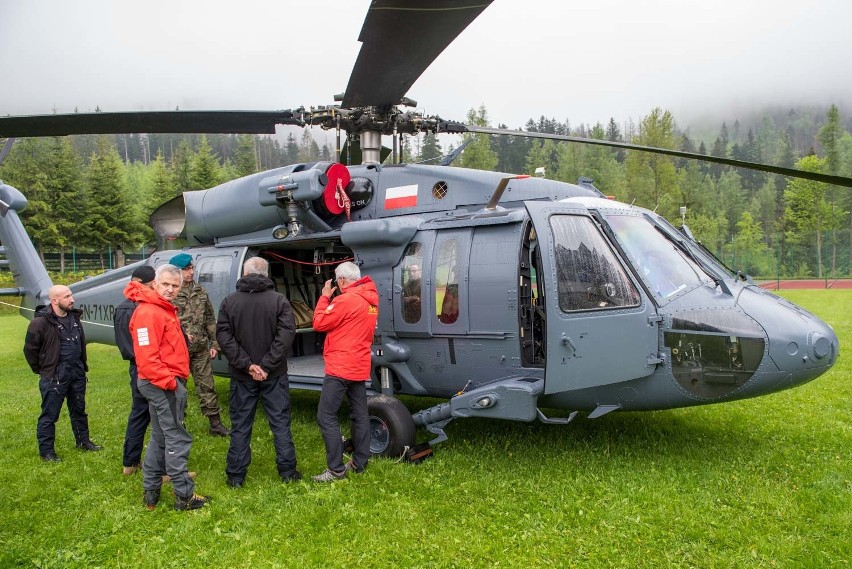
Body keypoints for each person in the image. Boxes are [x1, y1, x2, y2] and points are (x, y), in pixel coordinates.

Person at [126, 264, 209, 511]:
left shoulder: (162, 309)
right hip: (161, 382)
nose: (170, 289)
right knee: (176, 437)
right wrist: (171, 383)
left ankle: (151, 492)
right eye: (166, 284)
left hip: (163, 380)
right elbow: (147, 357)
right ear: (155, 284)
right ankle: (184, 496)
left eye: (175, 285)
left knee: (161, 437)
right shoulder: (149, 312)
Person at [216, 257, 300, 487]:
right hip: (274, 374)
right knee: (280, 423)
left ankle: (235, 477)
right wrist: (266, 365)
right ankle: (288, 472)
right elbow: (286, 335)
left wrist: (247, 364)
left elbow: (223, 335)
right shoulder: (279, 301)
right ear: (266, 273)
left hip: (243, 375)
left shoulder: (229, 302)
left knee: (241, 425)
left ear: (245, 273)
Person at [311, 261, 379, 482]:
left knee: (325, 416)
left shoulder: (345, 300)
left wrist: (324, 297)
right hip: (359, 366)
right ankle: (360, 462)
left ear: (341, 281)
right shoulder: (370, 300)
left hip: (340, 366)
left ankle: (336, 470)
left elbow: (319, 323)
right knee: (360, 415)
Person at [24, 284, 102, 461]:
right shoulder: (40, 322)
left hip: (76, 372)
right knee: (50, 414)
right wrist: (43, 370)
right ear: (54, 300)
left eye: (71, 295)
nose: (72, 299)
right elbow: (30, 350)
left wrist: (81, 367)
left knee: (79, 410)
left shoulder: (74, 318)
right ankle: (47, 452)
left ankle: (83, 441)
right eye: (67, 297)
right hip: (55, 375)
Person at [169, 253, 230, 437]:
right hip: (178, 349)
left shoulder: (200, 291)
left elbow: (210, 318)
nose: (191, 272)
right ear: (177, 272)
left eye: (192, 268)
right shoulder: (171, 293)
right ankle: (178, 425)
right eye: (187, 269)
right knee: (177, 389)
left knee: (207, 385)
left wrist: (215, 342)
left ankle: (215, 424)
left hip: (201, 348)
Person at [114, 265, 155, 476]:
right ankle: (159, 467)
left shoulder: (122, 307)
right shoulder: (139, 309)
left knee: (139, 414)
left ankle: (130, 462)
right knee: (155, 415)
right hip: (146, 367)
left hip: (135, 366)